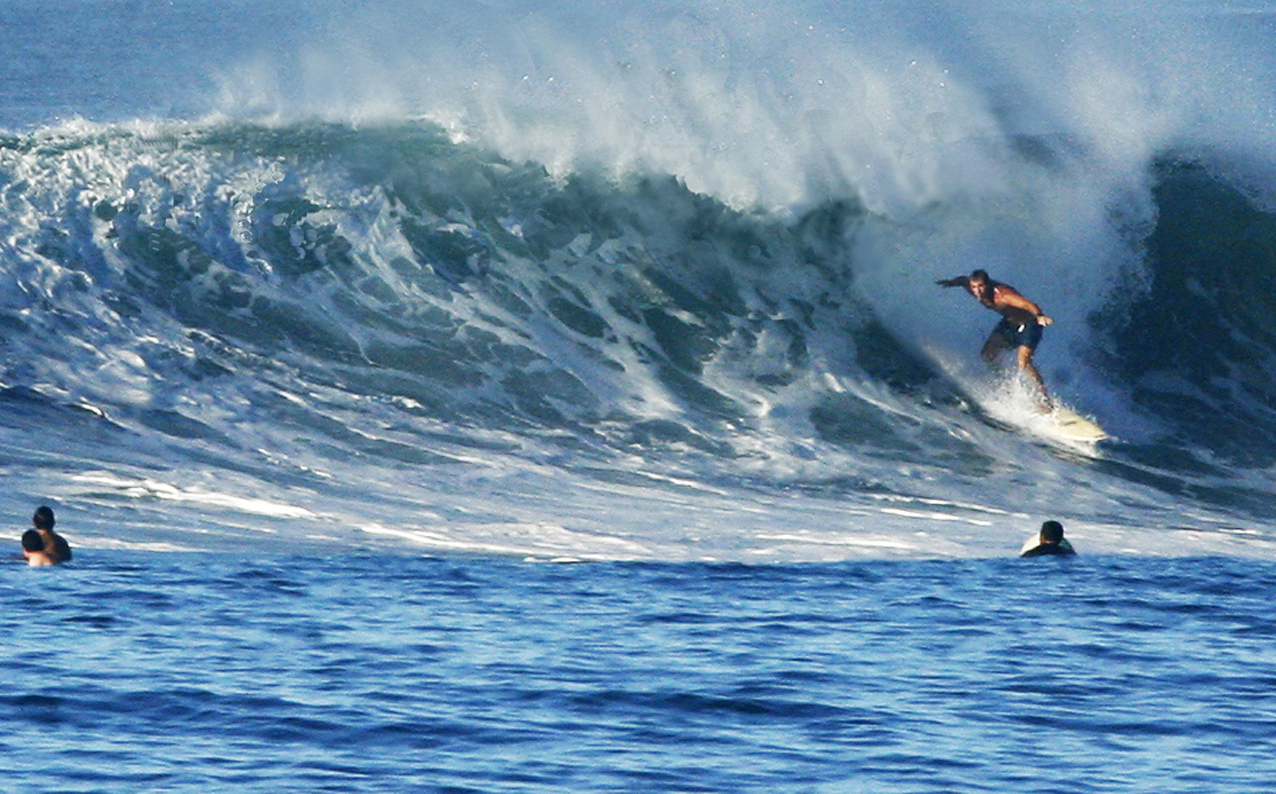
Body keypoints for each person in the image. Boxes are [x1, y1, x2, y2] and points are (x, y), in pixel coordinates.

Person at [936, 269, 1054, 404]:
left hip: (1030, 323)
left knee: (1023, 362)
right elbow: (962, 280)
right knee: (987, 354)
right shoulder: (971, 287)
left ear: (988, 285)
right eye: (974, 287)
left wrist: (1039, 316)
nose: (977, 290)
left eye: (981, 286)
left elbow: (1029, 305)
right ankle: (1002, 382)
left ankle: (1043, 397)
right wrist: (951, 282)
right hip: (1010, 322)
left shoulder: (1003, 295)